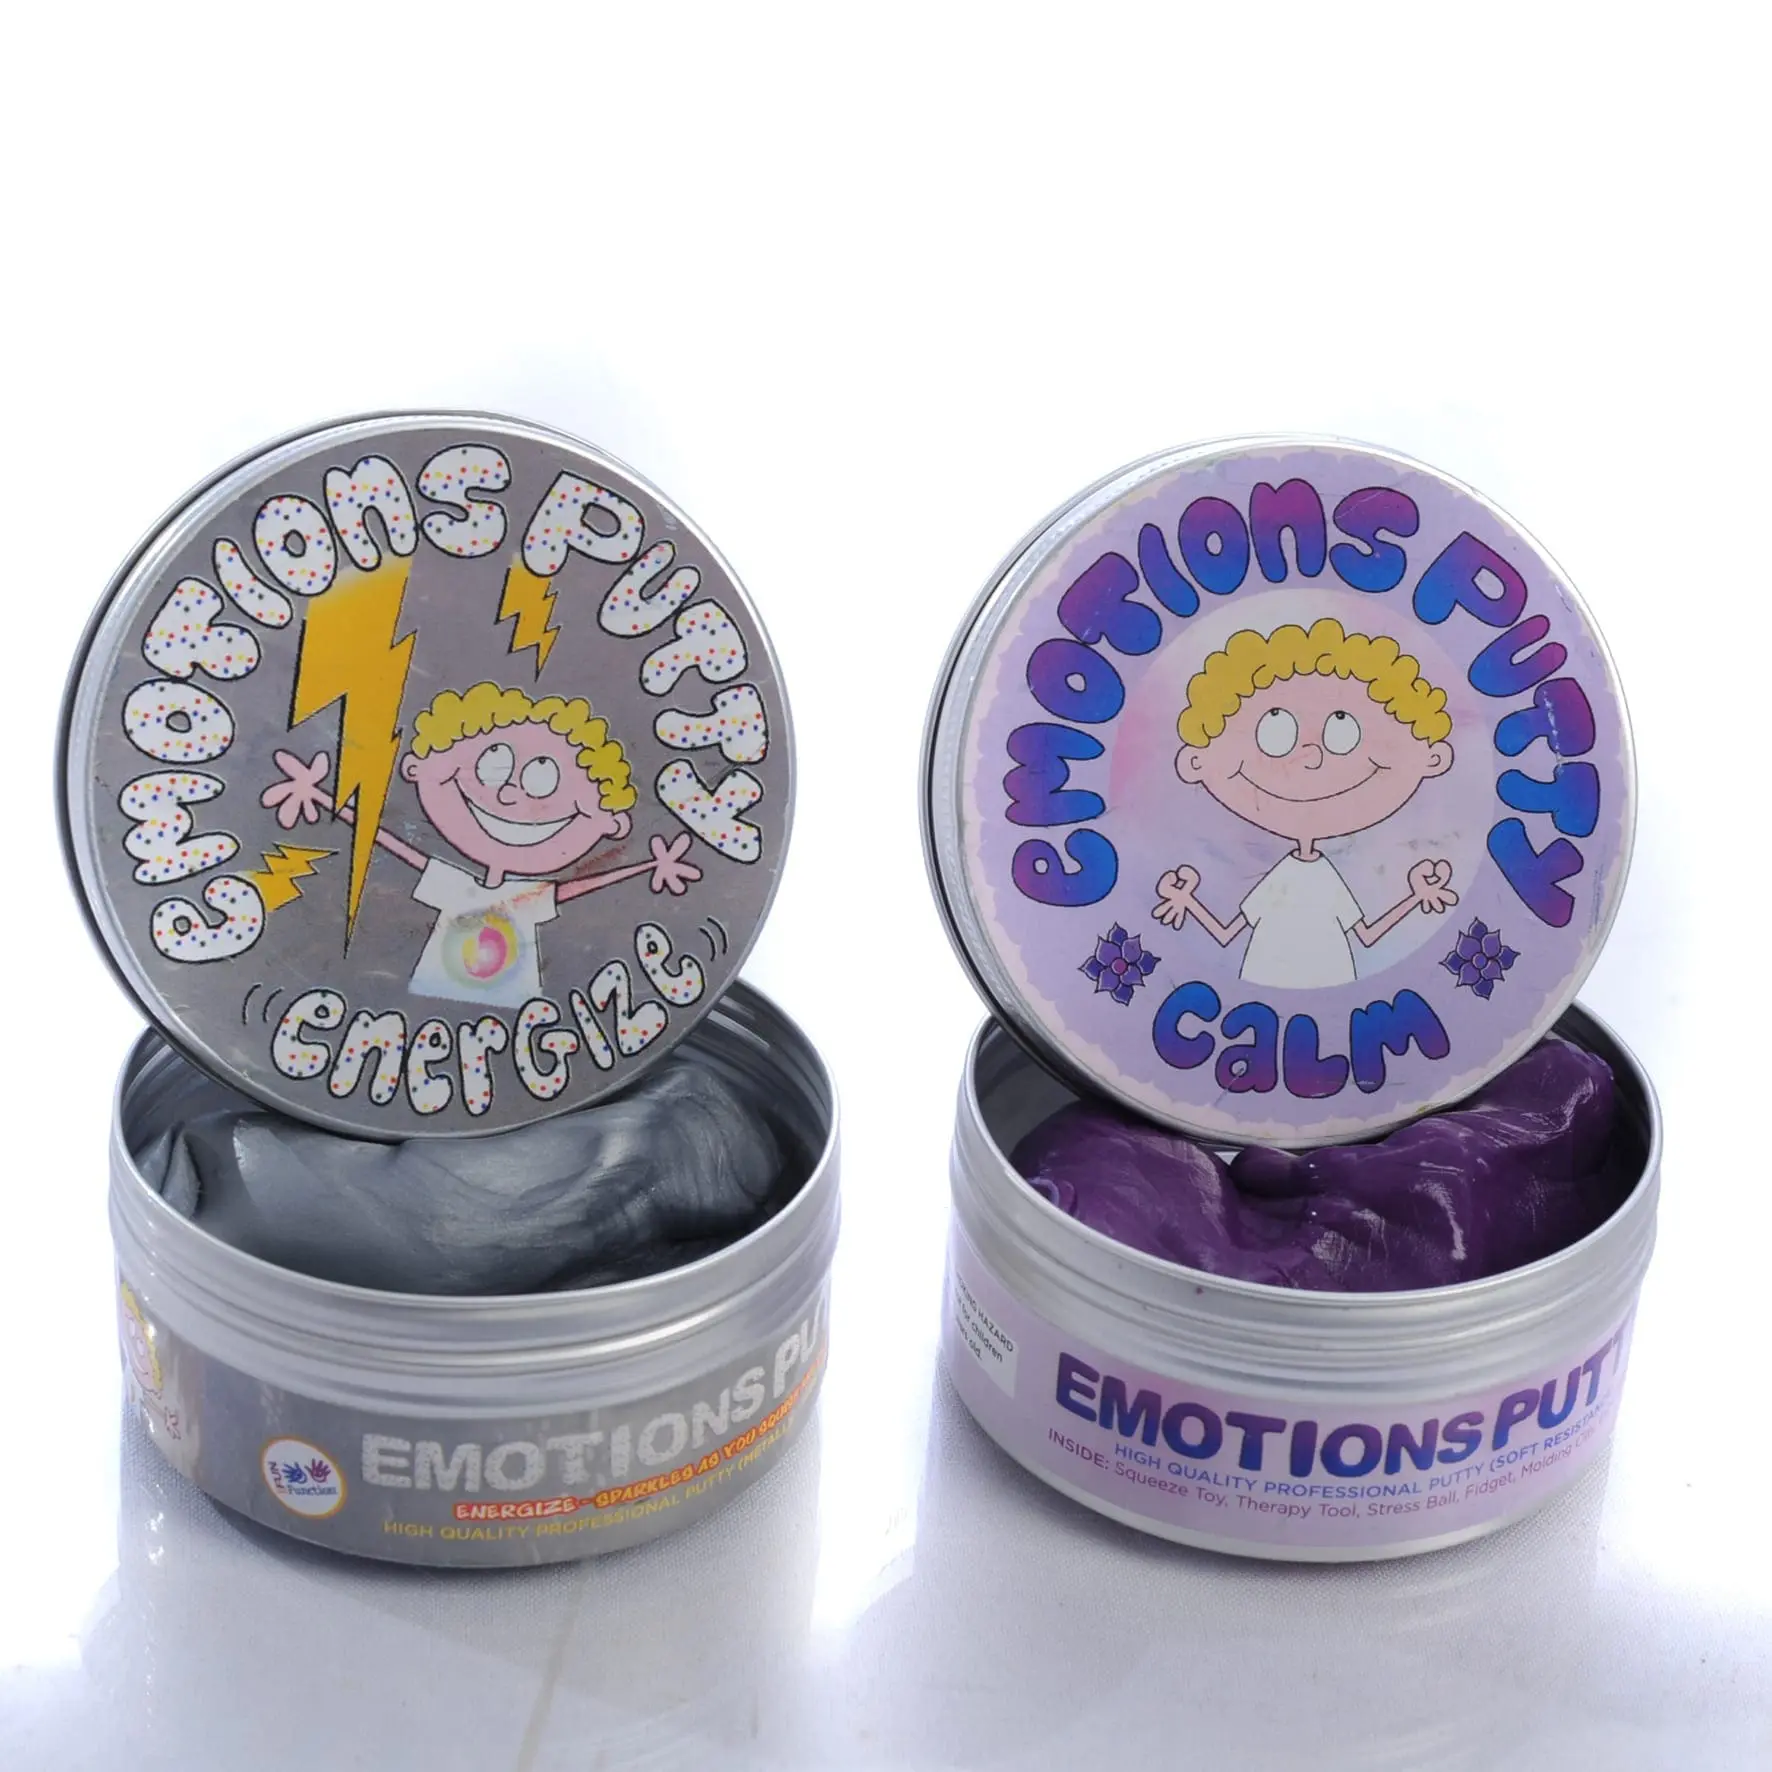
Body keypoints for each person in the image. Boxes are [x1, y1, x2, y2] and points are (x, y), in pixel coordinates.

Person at [263, 682, 699, 1008]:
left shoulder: (519, 896)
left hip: (514, 1019)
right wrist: (328, 800)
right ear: (419, 767)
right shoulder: (461, 885)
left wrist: (648, 866)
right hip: (429, 1006)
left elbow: (575, 888)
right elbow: (390, 842)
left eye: (542, 779)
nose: (508, 795)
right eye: (493, 765)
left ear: (609, 820)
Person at [1151, 618, 1458, 990]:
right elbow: (1230, 933)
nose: (1311, 758)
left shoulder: (1318, 877)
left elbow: (1365, 936)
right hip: (1265, 975)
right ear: (1196, 761)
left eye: (1342, 727)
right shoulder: (1285, 877)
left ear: (1431, 758)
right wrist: (1187, 901)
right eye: (1275, 730)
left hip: (1333, 978)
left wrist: (1416, 898)